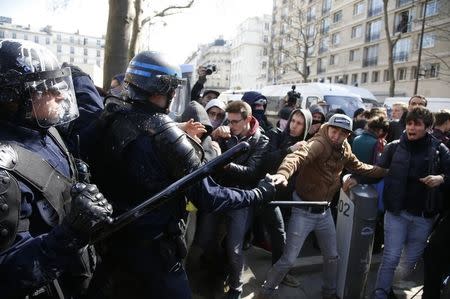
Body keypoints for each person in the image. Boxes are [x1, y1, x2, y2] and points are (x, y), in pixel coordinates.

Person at [88, 51, 275, 299]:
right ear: (159, 88)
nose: (174, 94)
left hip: (110, 246)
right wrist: (258, 193)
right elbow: (209, 197)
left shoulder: (109, 117)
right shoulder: (166, 135)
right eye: (172, 88)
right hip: (154, 254)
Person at [0, 39, 113, 298]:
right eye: (46, 88)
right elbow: (6, 276)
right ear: (13, 97)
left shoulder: (47, 131)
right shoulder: (3, 169)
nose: (60, 94)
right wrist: (71, 233)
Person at [256, 114, 387, 299]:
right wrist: (284, 174)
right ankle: (266, 291)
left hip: (324, 211)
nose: (336, 136)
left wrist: (385, 171)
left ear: (347, 135)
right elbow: (298, 157)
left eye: (342, 134)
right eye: (334, 131)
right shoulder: (319, 142)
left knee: (332, 257)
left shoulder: (345, 148)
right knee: (288, 259)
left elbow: (359, 166)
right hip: (303, 209)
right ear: (328, 128)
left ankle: (329, 292)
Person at [348, 107, 450, 299]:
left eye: (417, 124)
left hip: (423, 218)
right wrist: (358, 179)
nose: (411, 127)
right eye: (409, 123)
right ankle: (381, 292)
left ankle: (389, 286)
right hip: (396, 213)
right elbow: (378, 171)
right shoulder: (393, 147)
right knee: (391, 257)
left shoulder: (439, 149)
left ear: (428, 127)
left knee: (408, 264)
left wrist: (441, 178)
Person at [212, 100, 270, 299]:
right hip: (219, 193)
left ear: (248, 119)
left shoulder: (261, 140)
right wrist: (214, 135)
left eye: (235, 122)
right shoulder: (226, 132)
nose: (231, 126)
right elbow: (209, 149)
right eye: (229, 121)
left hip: (242, 198)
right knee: (205, 239)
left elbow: (252, 173)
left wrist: (224, 162)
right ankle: (219, 272)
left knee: (234, 247)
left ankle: (236, 288)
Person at [264, 108, 312, 287]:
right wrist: (289, 149)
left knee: (287, 238)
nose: (294, 126)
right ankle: (276, 276)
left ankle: (280, 273)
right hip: (271, 194)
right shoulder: (276, 135)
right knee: (278, 234)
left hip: (292, 199)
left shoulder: (307, 144)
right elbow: (267, 160)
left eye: (300, 124)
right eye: (293, 121)